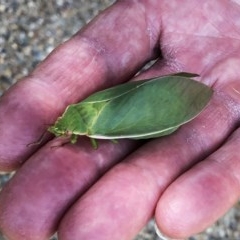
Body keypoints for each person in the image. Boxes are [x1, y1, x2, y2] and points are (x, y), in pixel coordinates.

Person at [0, 1, 240, 239]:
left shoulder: (90, 133)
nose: (61, 130)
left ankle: (180, 99)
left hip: (112, 119)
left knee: (149, 126)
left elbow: (90, 139)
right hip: (115, 108)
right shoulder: (76, 117)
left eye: (63, 128)